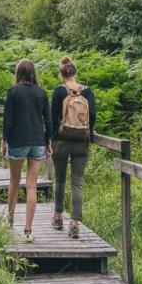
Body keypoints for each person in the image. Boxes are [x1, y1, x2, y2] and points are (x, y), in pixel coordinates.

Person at [1, 59, 51, 242]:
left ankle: (10, 220)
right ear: (33, 73)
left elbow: (8, 119)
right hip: (37, 141)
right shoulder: (42, 92)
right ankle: (28, 230)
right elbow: (48, 120)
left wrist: (4, 141)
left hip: (17, 141)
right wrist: (48, 142)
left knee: (14, 180)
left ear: (18, 73)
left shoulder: (13, 92)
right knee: (32, 185)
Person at [50, 55, 95, 239]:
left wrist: (52, 139)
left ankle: (58, 217)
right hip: (81, 144)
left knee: (60, 180)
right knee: (77, 183)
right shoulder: (87, 92)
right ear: (75, 72)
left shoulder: (59, 91)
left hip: (61, 142)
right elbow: (92, 117)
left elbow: (53, 118)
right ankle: (75, 224)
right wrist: (88, 135)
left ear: (61, 74)